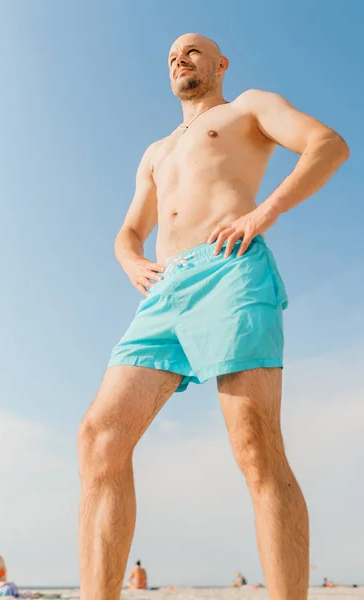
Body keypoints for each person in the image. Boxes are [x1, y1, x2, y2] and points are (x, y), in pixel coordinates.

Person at [77, 32, 349, 600]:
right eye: (173, 55)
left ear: (220, 64)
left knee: (254, 444)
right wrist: (130, 258)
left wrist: (265, 212)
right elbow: (131, 228)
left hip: (230, 267)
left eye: (193, 51)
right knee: (100, 438)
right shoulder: (155, 151)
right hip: (163, 293)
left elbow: (328, 144)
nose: (180, 58)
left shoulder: (248, 105)